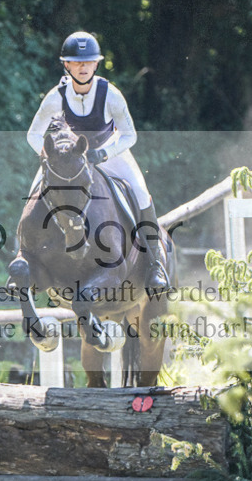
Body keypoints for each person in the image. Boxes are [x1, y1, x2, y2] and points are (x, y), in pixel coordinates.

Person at [25, 31, 170, 291]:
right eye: (77, 62)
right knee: (33, 195)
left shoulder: (110, 94)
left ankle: (154, 265)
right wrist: (50, 158)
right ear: (66, 65)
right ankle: (24, 257)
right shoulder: (56, 96)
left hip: (107, 151)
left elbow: (129, 136)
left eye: (89, 61)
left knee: (140, 193)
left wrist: (102, 154)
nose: (83, 67)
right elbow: (33, 135)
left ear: (96, 64)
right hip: (66, 161)